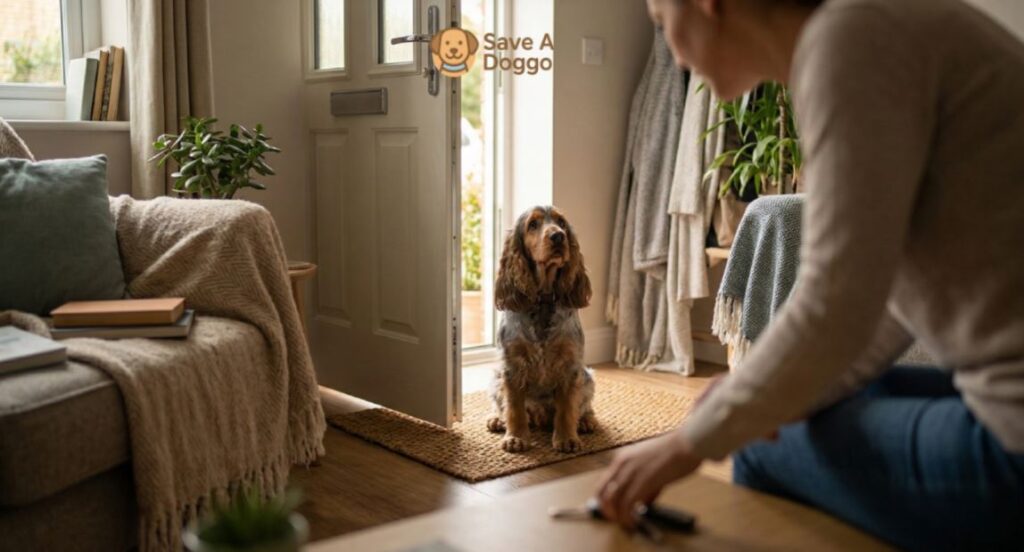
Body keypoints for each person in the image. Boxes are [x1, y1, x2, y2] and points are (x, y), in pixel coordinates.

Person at [596, 0, 1024, 549]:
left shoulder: (849, 40)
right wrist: (757, 394)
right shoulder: (871, 23)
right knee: (786, 412)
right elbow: (883, 303)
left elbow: (834, 306)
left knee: (760, 441)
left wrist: (688, 443)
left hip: (1010, 447)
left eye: (662, 20)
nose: (673, 52)